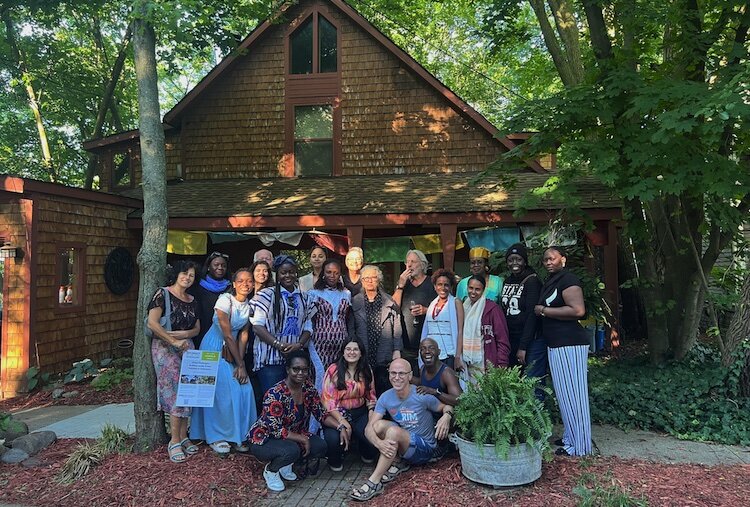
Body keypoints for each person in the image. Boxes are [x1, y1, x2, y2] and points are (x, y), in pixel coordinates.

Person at [351, 358, 454, 501]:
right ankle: (398, 461)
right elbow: (369, 428)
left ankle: (374, 482)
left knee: (393, 432)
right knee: (377, 426)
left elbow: (446, 406)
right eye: (393, 373)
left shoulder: (421, 395)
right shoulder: (386, 397)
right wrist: (379, 444)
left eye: (401, 373)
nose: (397, 377)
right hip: (406, 443)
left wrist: (446, 416)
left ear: (410, 376)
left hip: (425, 449)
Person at [248, 350, 351, 492]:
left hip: (292, 435)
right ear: (287, 370)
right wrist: (302, 439)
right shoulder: (275, 394)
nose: (300, 373)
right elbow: (276, 430)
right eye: (296, 369)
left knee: (320, 446)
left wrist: (341, 427)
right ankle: (271, 470)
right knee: (292, 450)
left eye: (304, 369)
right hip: (265, 438)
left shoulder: (308, 389)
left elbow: (321, 414)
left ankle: (286, 464)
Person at [189, 268, 257, 454]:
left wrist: (240, 363)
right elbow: (227, 335)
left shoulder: (249, 305)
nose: (245, 284)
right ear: (233, 284)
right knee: (220, 391)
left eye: (249, 281)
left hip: (233, 350)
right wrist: (240, 365)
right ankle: (216, 435)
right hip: (213, 347)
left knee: (244, 388)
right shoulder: (224, 300)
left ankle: (239, 434)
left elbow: (243, 335)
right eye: (241, 281)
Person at [534, 246, 591, 456]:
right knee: (564, 395)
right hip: (557, 343)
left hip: (570, 343)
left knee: (575, 395)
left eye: (553, 258)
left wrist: (544, 310)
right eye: (545, 260)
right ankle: (570, 437)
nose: (549, 262)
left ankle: (580, 447)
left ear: (563, 260)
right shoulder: (552, 280)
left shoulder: (568, 279)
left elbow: (578, 310)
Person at [147, 260, 201, 463]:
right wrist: (173, 341)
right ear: (177, 274)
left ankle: (184, 436)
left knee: (188, 390)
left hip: (186, 346)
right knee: (175, 391)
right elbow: (152, 323)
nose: (187, 277)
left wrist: (183, 335)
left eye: (191, 275)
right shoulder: (163, 294)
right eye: (184, 273)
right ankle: (174, 440)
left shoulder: (192, 300)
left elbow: (196, 328)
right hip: (165, 347)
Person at [251, 255, 313, 397]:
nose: (287, 275)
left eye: (291, 272)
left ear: (296, 273)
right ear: (277, 274)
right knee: (273, 400)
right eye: (283, 272)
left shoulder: (305, 297)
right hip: (270, 360)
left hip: (295, 361)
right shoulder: (266, 295)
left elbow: (308, 326)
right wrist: (278, 345)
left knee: (293, 400)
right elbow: (257, 327)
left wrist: (299, 344)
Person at [307, 259, 352, 432]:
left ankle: (333, 427)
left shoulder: (346, 294)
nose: (332, 276)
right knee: (319, 382)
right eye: (328, 272)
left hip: (340, 347)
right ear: (323, 274)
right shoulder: (313, 293)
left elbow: (347, 319)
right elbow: (309, 320)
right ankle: (313, 429)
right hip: (318, 345)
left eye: (335, 272)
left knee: (335, 384)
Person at [320, 339, 378, 471]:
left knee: (371, 434)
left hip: (360, 412)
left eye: (355, 349)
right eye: (348, 349)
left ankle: (364, 451)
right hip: (336, 414)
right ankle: (335, 458)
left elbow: (371, 395)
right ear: (343, 352)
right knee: (334, 440)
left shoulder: (366, 369)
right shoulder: (333, 370)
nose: (352, 352)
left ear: (361, 353)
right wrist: (342, 421)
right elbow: (328, 400)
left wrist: (371, 417)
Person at [351, 264, 403, 396]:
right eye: (366, 278)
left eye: (373, 277)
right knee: (362, 389)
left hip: (384, 353)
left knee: (384, 390)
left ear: (379, 279)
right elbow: (351, 328)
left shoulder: (389, 301)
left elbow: (397, 328)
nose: (369, 281)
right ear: (362, 281)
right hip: (363, 353)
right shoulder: (354, 301)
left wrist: (397, 350)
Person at [501, 243, 545, 377]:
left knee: (530, 378)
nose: (514, 263)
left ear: (525, 261)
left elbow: (532, 315)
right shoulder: (507, 281)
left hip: (528, 339)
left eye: (518, 259)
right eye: (511, 260)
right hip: (511, 337)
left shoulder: (532, 281)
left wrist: (523, 346)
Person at [391, 249, 436, 372]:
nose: (409, 265)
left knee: (426, 376)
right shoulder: (403, 284)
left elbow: (442, 308)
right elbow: (394, 307)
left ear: (422, 264)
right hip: (406, 343)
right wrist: (400, 285)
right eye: (407, 262)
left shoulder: (432, 283)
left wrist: (426, 310)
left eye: (413, 262)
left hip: (427, 342)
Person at [462, 275, 511, 382]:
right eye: (471, 288)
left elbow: (502, 339)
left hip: (487, 364)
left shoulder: (492, 309)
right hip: (467, 364)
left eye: (477, 289)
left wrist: (502, 364)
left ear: (484, 290)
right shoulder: (464, 308)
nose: (473, 292)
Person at [421, 269, 464, 371]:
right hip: (431, 355)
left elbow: (460, 331)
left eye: (446, 285)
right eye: (439, 284)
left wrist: (458, 356)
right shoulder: (432, 304)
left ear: (451, 287)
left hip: (449, 354)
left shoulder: (456, 302)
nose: (443, 288)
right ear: (435, 286)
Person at [189, 251, 230, 349]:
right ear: (208, 267)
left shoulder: (230, 288)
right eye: (216, 265)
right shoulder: (196, 287)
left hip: (222, 336)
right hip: (200, 334)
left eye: (223, 265)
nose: (220, 268)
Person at [411, 338, 461, 407]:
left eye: (431, 348)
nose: (427, 351)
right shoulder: (423, 369)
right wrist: (407, 377)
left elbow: (459, 400)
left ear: (439, 352)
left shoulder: (446, 373)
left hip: (445, 412)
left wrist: (435, 392)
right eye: (423, 349)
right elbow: (423, 383)